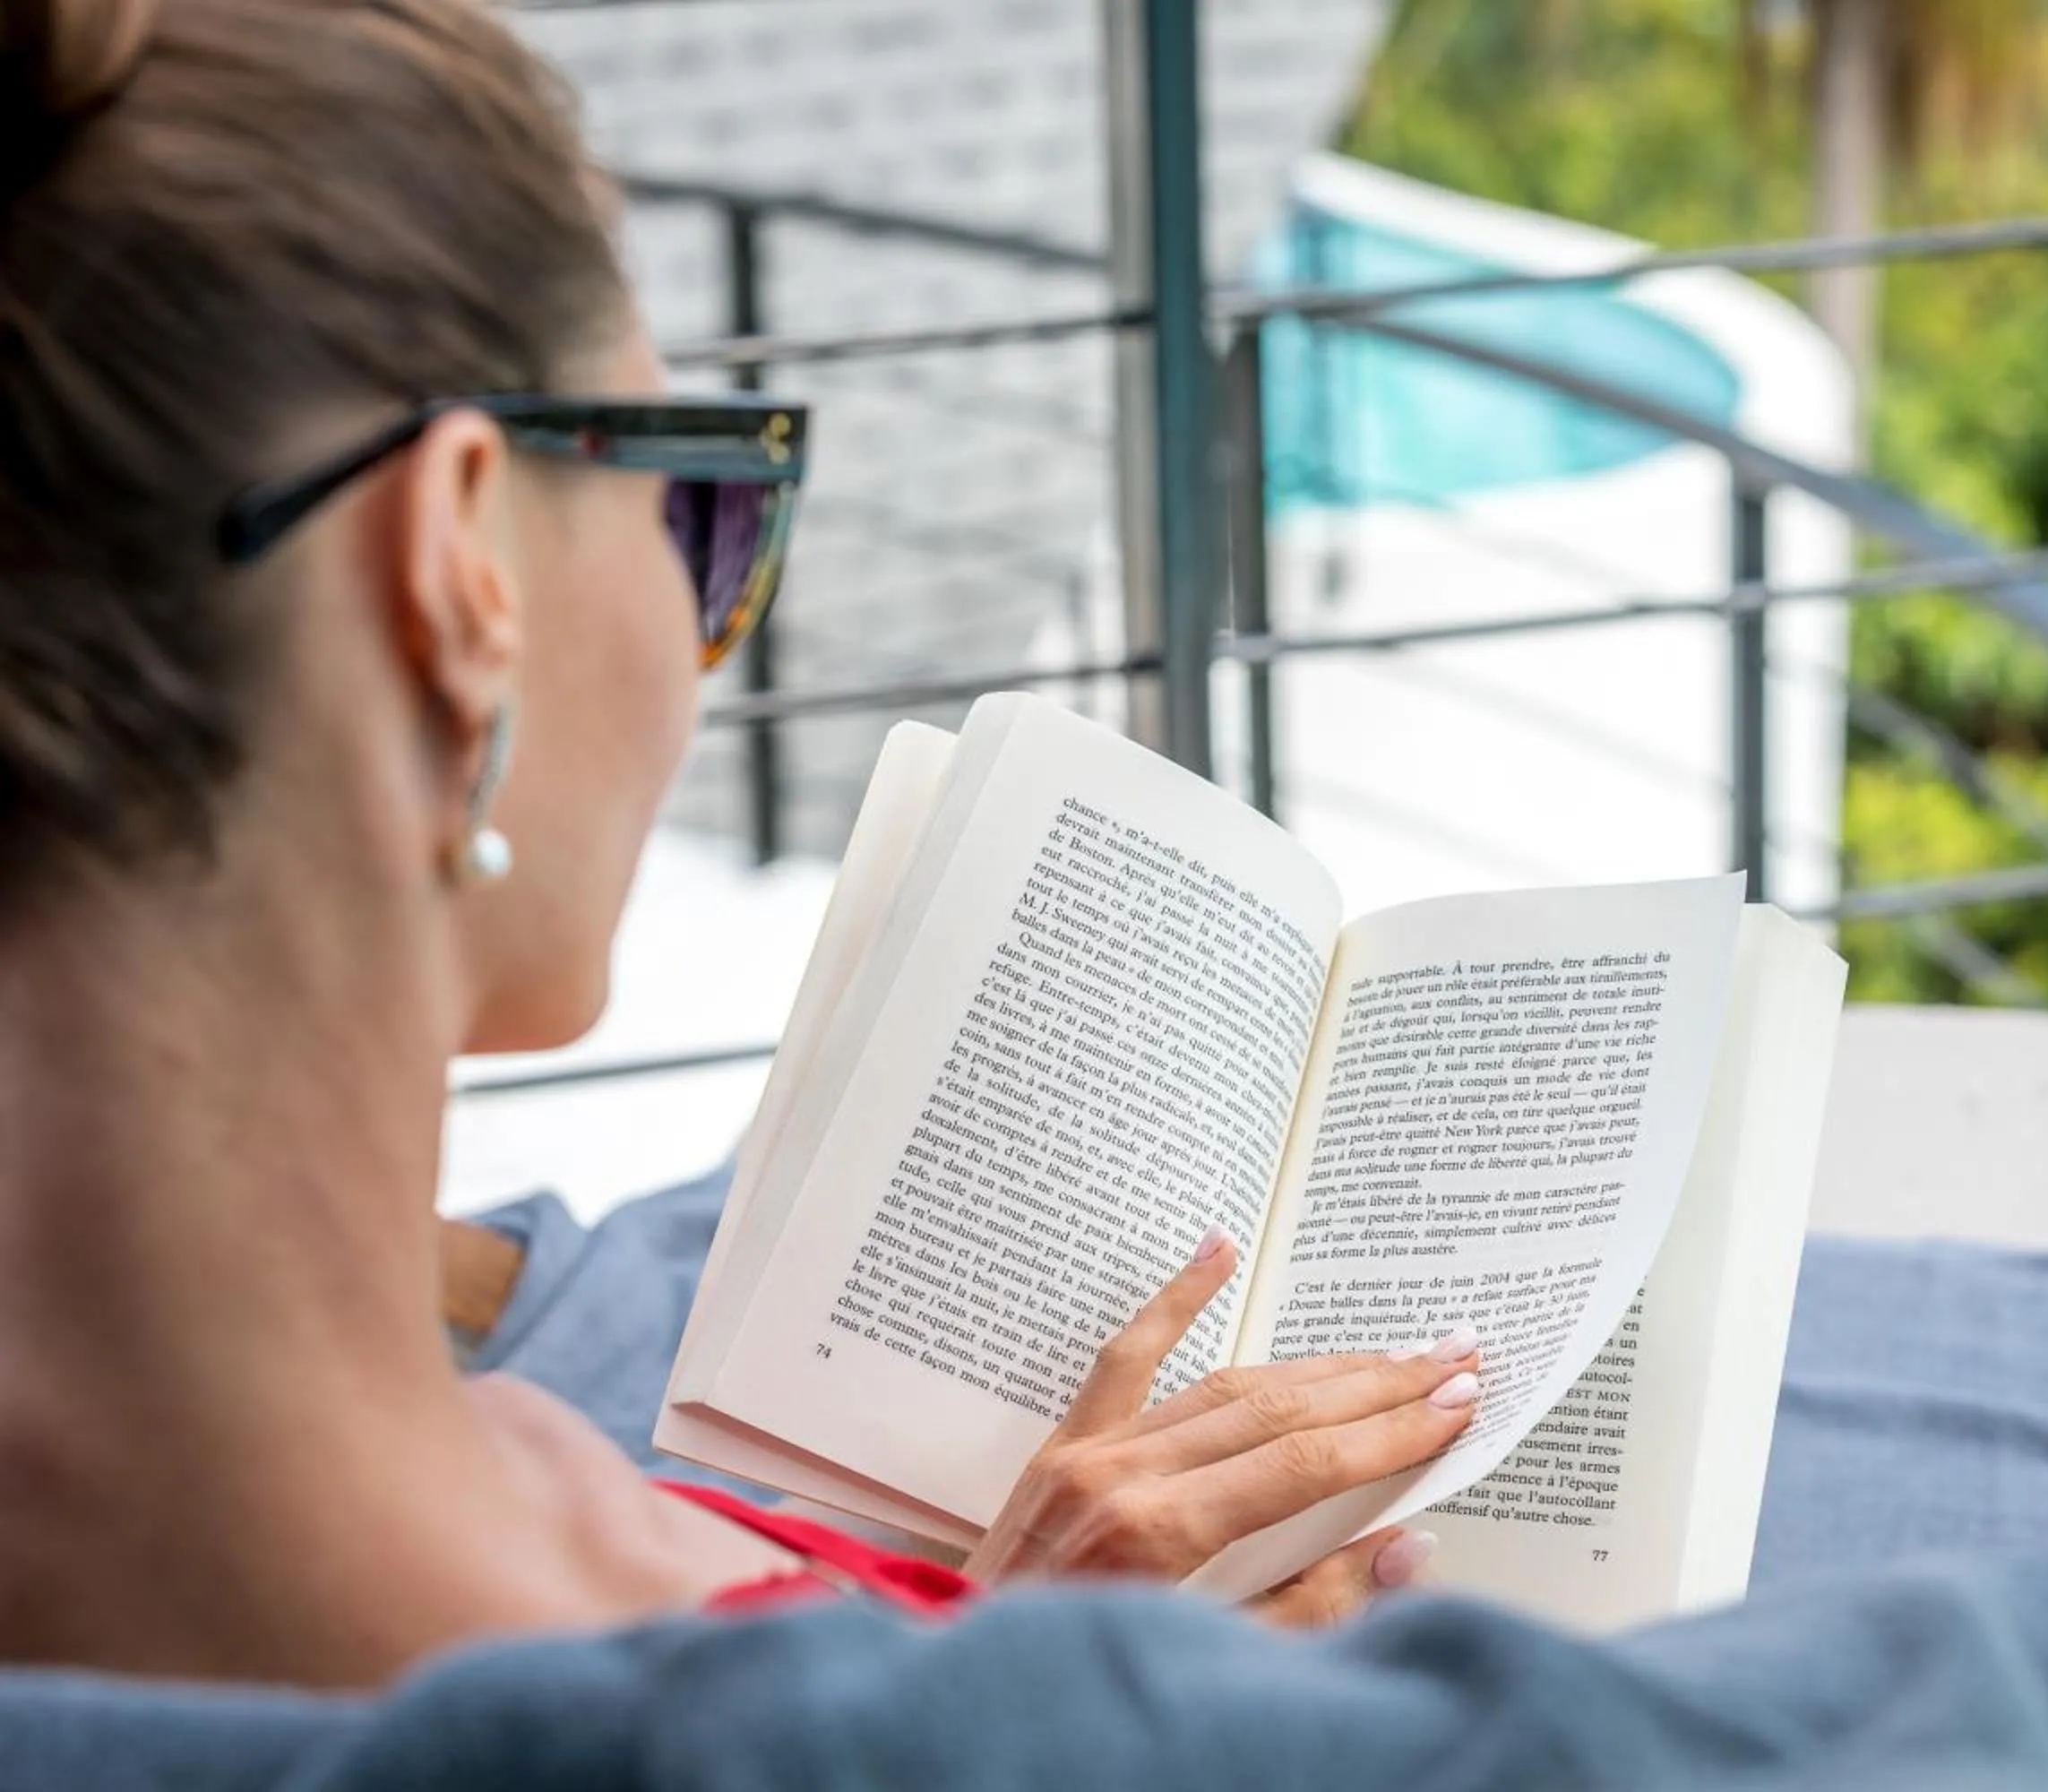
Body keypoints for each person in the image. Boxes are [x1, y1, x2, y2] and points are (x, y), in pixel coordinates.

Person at [0, 0, 1481, 1690]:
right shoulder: (702, 1695)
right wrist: (1047, 1713)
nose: (707, 619)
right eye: (700, 502)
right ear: (461, 573)